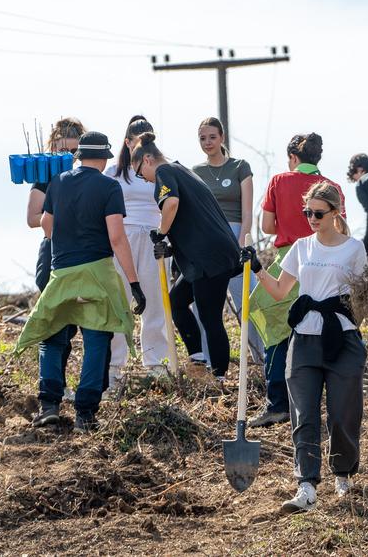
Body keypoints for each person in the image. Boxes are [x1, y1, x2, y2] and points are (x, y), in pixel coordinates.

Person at [241, 181, 367, 512]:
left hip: (342, 337)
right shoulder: (301, 246)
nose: (311, 218)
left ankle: (343, 473)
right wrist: (255, 267)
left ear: (335, 212)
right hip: (304, 337)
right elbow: (281, 291)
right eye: (307, 212)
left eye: (318, 213)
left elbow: (366, 299)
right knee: (303, 414)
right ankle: (307, 486)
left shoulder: (354, 249)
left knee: (342, 415)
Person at [16, 131, 145, 432]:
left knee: (52, 335)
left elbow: (46, 222)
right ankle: (85, 414)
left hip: (61, 272)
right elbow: (116, 237)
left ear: (78, 156)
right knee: (97, 339)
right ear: (103, 158)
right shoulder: (108, 186)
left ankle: (49, 405)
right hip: (96, 273)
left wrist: (62, 241)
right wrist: (134, 283)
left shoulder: (58, 181)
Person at [246, 133, 346, 428]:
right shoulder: (334, 188)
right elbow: (341, 230)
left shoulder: (279, 181)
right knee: (316, 330)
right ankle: (313, 403)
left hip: (290, 260)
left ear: (292, 158)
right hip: (327, 263)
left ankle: (278, 404)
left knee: (277, 328)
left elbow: (266, 225)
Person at [130, 132, 240, 381]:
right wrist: (170, 245)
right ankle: (198, 359)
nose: (143, 180)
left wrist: (160, 233)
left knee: (210, 318)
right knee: (176, 302)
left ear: (147, 160)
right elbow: (190, 219)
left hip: (210, 257)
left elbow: (171, 204)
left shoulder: (164, 172)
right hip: (205, 255)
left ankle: (219, 377)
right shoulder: (182, 169)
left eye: (139, 173)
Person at [105, 116, 171, 383]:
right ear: (127, 142)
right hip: (123, 236)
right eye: (137, 141)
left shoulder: (162, 168)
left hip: (155, 236)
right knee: (120, 300)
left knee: (155, 300)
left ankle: (156, 362)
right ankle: (113, 368)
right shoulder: (113, 172)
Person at [191, 116, 263, 359]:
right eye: (203, 138)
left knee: (248, 301)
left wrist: (242, 241)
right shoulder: (196, 172)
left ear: (222, 137)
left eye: (212, 137)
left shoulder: (239, 166)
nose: (208, 142)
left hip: (234, 238)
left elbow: (247, 211)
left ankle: (261, 358)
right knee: (207, 307)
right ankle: (213, 362)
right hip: (207, 242)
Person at [25, 118, 83, 402]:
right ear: (52, 148)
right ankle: (52, 388)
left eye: (73, 150)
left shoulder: (90, 177)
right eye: (62, 150)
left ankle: (61, 385)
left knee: (73, 327)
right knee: (57, 327)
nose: (68, 156)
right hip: (53, 254)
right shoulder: (45, 178)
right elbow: (32, 218)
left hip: (83, 256)